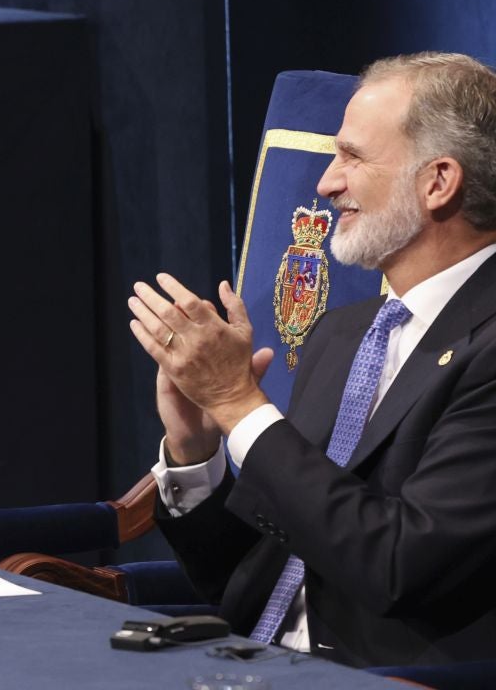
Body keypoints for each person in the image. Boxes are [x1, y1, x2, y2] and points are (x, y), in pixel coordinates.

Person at [132, 53, 496, 668]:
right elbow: (249, 579)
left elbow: (394, 565)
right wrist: (197, 449)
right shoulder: (344, 333)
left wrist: (239, 404)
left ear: (438, 181)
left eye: (352, 157)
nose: (327, 183)